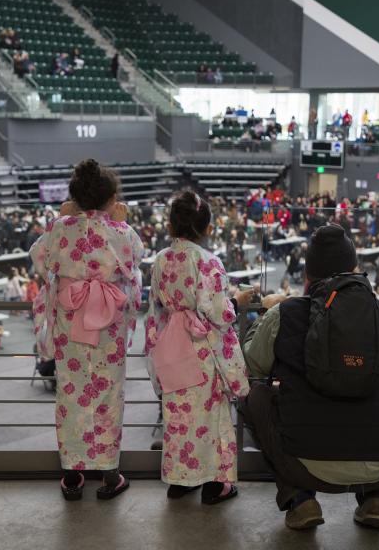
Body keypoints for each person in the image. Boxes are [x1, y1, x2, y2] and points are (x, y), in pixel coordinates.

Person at [241, 223, 379, 530]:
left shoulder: (285, 314)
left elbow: (253, 365)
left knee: (255, 397)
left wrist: (267, 314)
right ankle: (376, 500)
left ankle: (300, 500)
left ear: (308, 273)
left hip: (306, 461)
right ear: (354, 266)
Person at [29, 159, 144, 501]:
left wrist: (63, 218)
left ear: (75, 198)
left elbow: (38, 259)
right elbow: (136, 260)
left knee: (71, 395)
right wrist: (118, 222)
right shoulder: (122, 232)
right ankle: (110, 474)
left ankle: (72, 475)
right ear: (111, 198)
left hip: (71, 324)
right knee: (108, 396)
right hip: (109, 326)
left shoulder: (60, 228)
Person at [145, 191, 252, 504]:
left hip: (170, 345)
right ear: (207, 228)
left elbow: (155, 309)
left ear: (172, 223)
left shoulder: (161, 260)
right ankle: (214, 485)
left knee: (177, 416)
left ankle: (181, 481)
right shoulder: (207, 261)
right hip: (201, 348)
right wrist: (237, 301)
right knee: (211, 417)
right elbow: (218, 312)